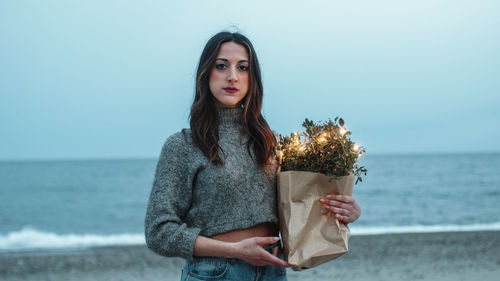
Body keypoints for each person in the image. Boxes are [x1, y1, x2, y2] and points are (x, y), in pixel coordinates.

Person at [144, 31, 361, 281]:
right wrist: (234, 251)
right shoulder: (183, 145)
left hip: (273, 271)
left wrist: (343, 212)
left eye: (243, 67)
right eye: (221, 65)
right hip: (215, 273)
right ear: (206, 73)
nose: (232, 76)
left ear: (252, 77)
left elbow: (299, 207)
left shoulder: (274, 143)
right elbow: (158, 232)